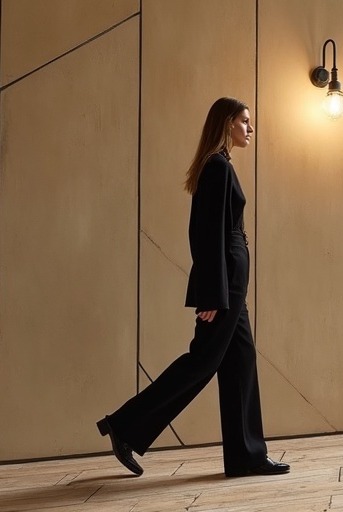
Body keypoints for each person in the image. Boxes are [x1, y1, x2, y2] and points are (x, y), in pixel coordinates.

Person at [96, 97, 289, 478]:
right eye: (245, 121)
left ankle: (246, 456)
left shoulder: (219, 165)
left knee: (241, 362)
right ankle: (124, 426)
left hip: (232, 281)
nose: (251, 129)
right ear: (226, 123)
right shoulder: (217, 167)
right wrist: (212, 294)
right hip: (226, 283)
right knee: (202, 361)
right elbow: (205, 238)